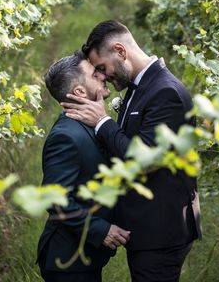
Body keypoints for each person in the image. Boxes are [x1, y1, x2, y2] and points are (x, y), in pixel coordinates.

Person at [61, 21, 201, 282]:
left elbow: (144, 160)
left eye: (102, 68)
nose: (103, 76)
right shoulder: (142, 87)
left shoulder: (165, 92)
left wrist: (103, 122)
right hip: (148, 228)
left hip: (161, 231)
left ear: (120, 51)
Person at [38, 50, 131, 282]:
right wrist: (102, 230)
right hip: (67, 264)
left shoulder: (88, 125)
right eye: (94, 74)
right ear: (79, 92)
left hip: (84, 260)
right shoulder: (66, 136)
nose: (102, 75)